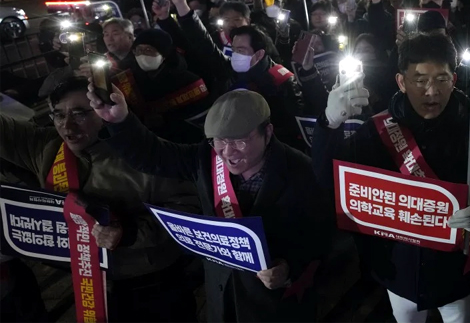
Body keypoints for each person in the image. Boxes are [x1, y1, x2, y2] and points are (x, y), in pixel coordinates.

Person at [312, 33, 470, 323]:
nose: (431, 91)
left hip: (457, 272)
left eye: (441, 79)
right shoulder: (376, 132)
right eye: (419, 80)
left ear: (454, 80)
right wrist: (329, 124)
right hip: (398, 271)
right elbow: (329, 181)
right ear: (401, 82)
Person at [90, 87, 333, 322]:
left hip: (273, 304)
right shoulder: (205, 159)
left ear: (267, 132)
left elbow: (322, 237)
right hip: (220, 296)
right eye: (219, 141)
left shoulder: (303, 172)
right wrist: (120, 121)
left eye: (240, 141)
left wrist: (288, 268)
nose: (227, 152)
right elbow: (153, 155)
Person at [0, 77, 199, 322]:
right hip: (90, 283)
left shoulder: (144, 153)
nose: (67, 125)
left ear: (104, 110)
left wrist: (130, 232)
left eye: (80, 114)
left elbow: (189, 209)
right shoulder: (47, 147)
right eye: (58, 115)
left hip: (153, 285)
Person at [167, 0, 311, 149]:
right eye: (234, 49)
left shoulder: (281, 81)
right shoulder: (229, 70)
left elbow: (294, 128)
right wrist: (181, 6)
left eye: (241, 50)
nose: (235, 55)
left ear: (258, 54)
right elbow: (203, 43)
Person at [128, 28, 214, 143]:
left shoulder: (189, 82)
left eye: (148, 50)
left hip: (184, 144)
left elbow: (205, 125)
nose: (142, 55)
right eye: (139, 50)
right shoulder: (130, 81)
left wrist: (166, 121)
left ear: (164, 55)